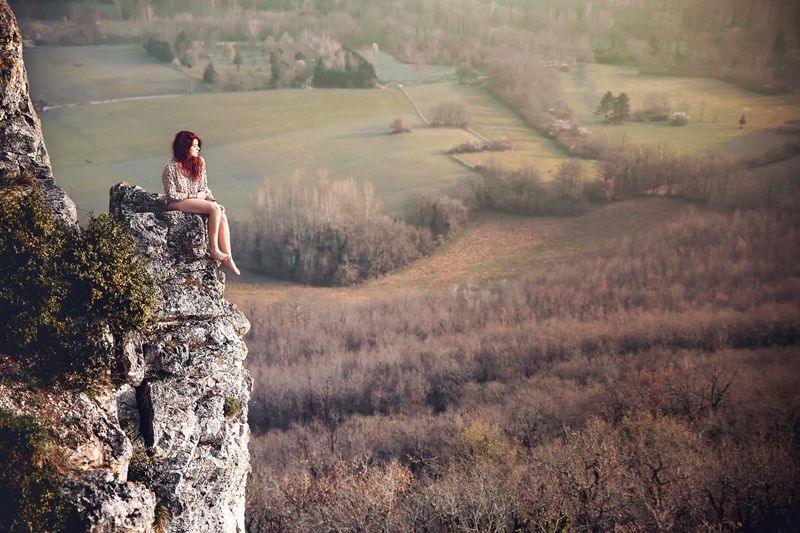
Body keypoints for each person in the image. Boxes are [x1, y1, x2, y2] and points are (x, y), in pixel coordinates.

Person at [162, 130, 240, 275]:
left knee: (221, 213)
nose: (198, 149)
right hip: (176, 203)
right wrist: (194, 196)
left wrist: (212, 201)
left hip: (194, 200)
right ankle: (214, 249)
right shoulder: (170, 167)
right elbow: (171, 195)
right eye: (194, 146)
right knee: (214, 209)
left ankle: (228, 257)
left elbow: (204, 188)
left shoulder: (200, 162)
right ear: (185, 148)